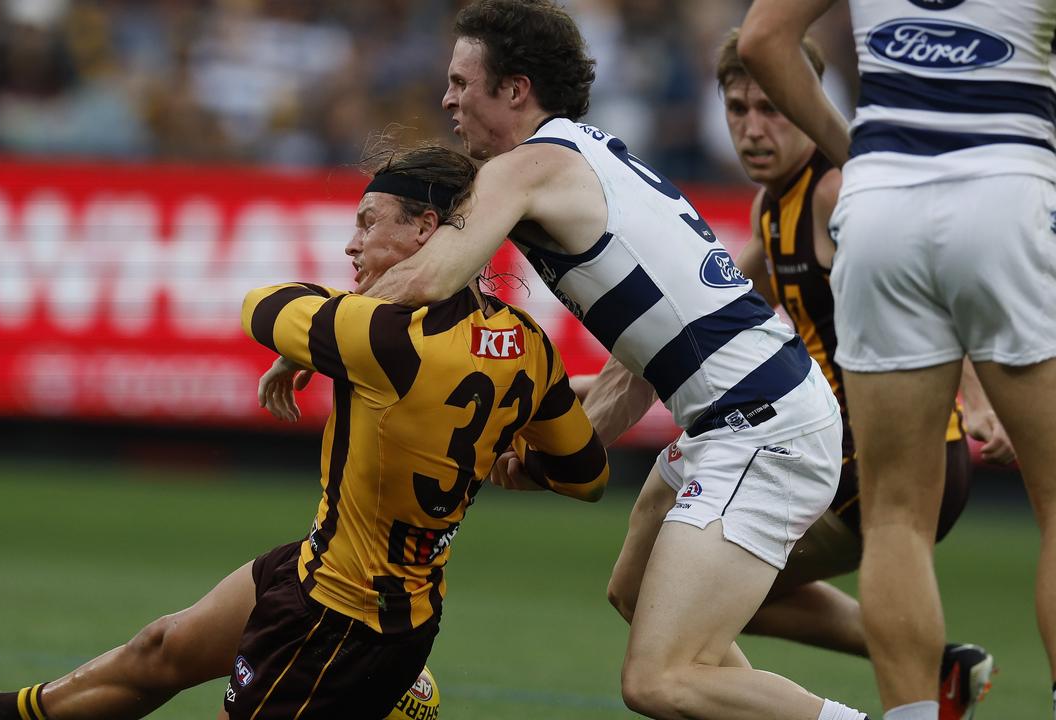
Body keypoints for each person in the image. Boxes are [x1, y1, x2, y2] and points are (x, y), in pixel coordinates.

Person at [0, 142, 609, 720]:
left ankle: (392, 702)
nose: (352, 246)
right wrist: (510, 462)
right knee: (162, 647)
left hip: (341, 623)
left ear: (427, 228)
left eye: (367, 223)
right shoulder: (528, 344)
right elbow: (586, 475)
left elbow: (260, 306)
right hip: (332, 572)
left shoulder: (380, 338)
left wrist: (311, 342)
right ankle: (0, 713)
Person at [364, 2, 865, 718]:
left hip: (759, 426)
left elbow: (429, 278)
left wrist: (317, 326)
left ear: (515, 89)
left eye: (460, 81)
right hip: (748, 414)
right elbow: (629, 383)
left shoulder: (529, 166)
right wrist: (547, 453)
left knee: (658, 681)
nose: (446, 99)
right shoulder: (588, 157)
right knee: (636, 596)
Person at [738, 2, 1056, 719]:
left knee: (894, 520)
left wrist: (856, 151)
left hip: (882, 199)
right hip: (1005, 182)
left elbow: (761, 38)